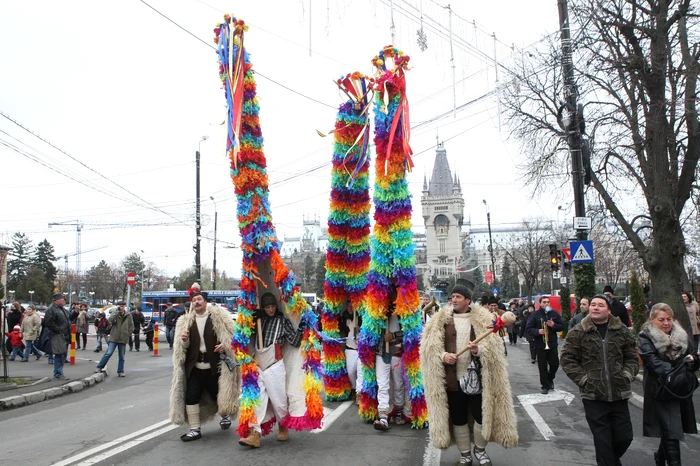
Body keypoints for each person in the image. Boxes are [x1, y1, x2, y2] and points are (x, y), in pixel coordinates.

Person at [421, 284, 518, 465]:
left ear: (467, 300)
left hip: (478, 380)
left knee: (481, 416)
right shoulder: (440, 320)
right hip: (452, 380)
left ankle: (480, 451)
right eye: (453, 297)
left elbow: (495, 348)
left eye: (458, 297)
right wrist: (444, 356)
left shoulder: (483, 319)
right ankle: (465, 455)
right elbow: (430, 348)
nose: (454, 300)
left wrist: (478, 349)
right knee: (458, 418)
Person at [561, 294, 638, 466]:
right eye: (593, 304)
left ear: (609, 310)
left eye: (600, 305)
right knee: (602, 441)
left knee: (625, 437)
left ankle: (610, 460)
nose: (595, 307)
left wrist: (626, 375)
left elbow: (631, 357)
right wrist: (583, 380)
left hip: (619, 393)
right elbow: (567, 359)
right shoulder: (578, 331)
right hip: (593, 395)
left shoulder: (621, 330)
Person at [170, 287, 239, 442]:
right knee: (191, 396)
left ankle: (225, 415)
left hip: (215, 366)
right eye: (194, 300)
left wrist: (225, 345)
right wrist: (185, 340)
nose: (196, 302)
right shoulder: (186, 321)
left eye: (199, 299)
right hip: (195, 366)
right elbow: (183, 348)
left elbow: (232, 337)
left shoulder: (218, 317)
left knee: (218, 394)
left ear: (205, 301)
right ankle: (195, 429)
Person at [238, 292, 305, 448]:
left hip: (275, 365)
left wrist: (302, 328)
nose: (270, 309)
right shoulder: (258, 320)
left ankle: (283, 425)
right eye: (267, 307)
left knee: (279, 401)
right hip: (257, 365)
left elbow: (294, 342)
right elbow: (244, 333)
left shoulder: (282, 322)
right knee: (257, 400)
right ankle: (255, 434)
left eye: (273, 306)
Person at [639, 303, 699, 466]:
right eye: (661, 320)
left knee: (671, 427)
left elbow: (693, 355)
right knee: (671, 429)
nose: (666, 323)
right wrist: (675, 371)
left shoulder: (681, 334)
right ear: (652, 320)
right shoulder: (645, 336)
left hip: (680, 388)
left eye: (669, 319)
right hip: (660, 387)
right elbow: (652, 361)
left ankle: (660, 456)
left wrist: (693, 361)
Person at [525, 296, 564, 394]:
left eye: (548, 302)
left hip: (552, 344)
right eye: (544, 302)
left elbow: (562, 326)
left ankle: (550, 378)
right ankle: (545, 386)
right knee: (542, 367)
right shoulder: (535, 315)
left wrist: (554, 325)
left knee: (555, 364)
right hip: (540, 344)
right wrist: (538, 331)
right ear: (540, 304)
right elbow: (528, 328)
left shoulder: (554, 314)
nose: (546, 304)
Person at [95, 301, 133, 377]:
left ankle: (120, 371)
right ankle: (99, 367)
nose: (121, 307)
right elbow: (110, 320)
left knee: (121, 356)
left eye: (123, 306)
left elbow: (131, 326)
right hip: (114, 337)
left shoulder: (128, 315)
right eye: (120, 306)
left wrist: (127, 334)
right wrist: (116, 313)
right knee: (108, 353)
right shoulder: (115, 314)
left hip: (123, 338)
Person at [339, 300, 363, 402]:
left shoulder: (360, 317)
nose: (350, 308)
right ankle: (353, 388)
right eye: (348, 306)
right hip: (350, 348)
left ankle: (359, 394)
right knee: (351, 371)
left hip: (360, 348)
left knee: (361, 372)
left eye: (352, 306)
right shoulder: (344, 318)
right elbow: (341, 328)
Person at [44, 293, 72, 380]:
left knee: (63, 354)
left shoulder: (61, 309)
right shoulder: (51, 309)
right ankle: (58, 373)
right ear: (57, 300)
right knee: (59, 354)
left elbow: (69, 318)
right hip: (57, 335)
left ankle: (59, 372)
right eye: (62, 299)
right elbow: (48, 322)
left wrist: (76, 312)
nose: (64, 301)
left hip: (65, 335)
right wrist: (59, 330)